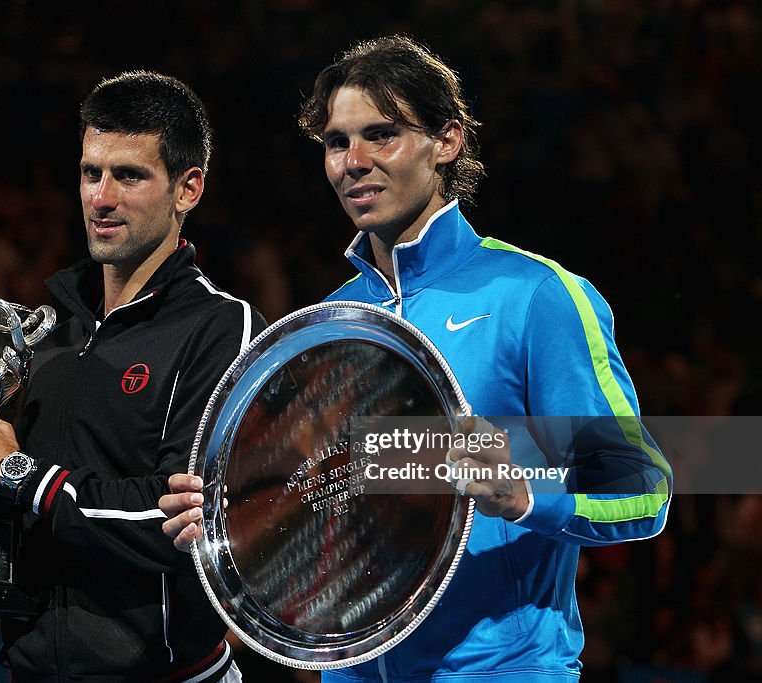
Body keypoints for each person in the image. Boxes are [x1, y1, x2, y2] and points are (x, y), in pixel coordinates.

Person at [160, 35, 672, 681]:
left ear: (447, 141)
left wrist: (524, 491)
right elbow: (326, 505)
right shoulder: (331, 322)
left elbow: (641, 486)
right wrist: (231, 513)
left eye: (382, 134)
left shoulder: (535, 296)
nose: (355, 160)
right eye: (337, 142)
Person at [0, 70, 266, 682]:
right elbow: (16, 500)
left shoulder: (220, 328)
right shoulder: (42, 333)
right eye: (90, 173)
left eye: (129, 175)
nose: (101, 197)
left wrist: (16, 473)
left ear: (188, 189)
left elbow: (181, 520)